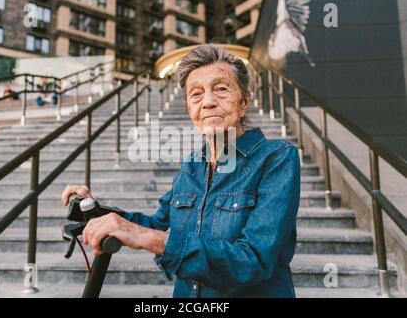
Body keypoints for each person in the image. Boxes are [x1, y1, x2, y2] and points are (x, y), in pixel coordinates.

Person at [61, 44, 301, 298]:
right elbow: (157, 224)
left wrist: (149, 238)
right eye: (196, 94)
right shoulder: (191, 166)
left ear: (244, 102)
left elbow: (251, 261)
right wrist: (95, 210)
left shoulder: (277, 158)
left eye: (221, 89)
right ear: (189, 109)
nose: (208, 102)